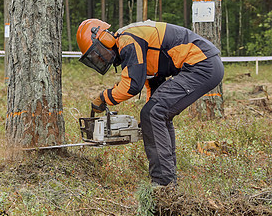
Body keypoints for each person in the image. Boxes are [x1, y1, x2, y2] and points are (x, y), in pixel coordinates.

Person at [76, 18, 224, 186]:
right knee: (156, 114)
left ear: (103, 39)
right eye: (95, 57)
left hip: (202, 64)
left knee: (154, 113)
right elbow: (153, 84)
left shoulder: (128, 40)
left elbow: (132, 85)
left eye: (98, 53)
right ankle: (168, 179)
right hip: (206, 64)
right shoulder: (133, 43)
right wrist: (147, 123)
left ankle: (162, 184)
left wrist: (105, 97)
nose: (100, 59)